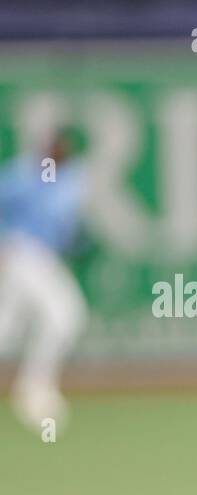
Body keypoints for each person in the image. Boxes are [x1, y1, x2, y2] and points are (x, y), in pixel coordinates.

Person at [0, 128, 88, 432]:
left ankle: (33, 388)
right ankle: (34, 389)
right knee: (65, 315)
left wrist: (76, 241)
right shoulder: (23, 174)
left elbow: (66, 225)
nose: (58, 152)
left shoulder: (70, 177)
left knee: (8, 328)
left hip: (44, 256)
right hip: (23, 253)